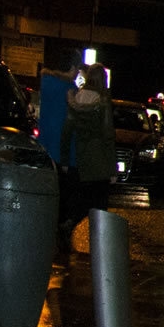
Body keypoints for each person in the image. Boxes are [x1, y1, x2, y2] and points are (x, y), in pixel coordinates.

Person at [61, 65, 117, 219]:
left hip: (81, 159)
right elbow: (107, 135)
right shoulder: (103, 102)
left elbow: (66, 132)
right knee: (98, 213)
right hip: (100, 163)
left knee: (80, 209)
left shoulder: (76, 99)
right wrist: (112, 169)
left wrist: (65, 160)